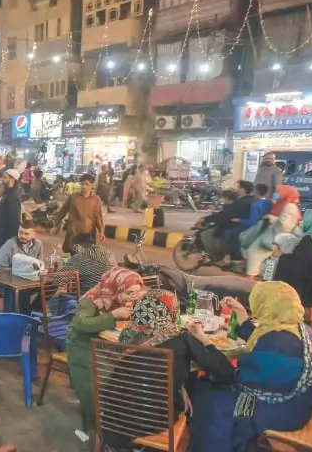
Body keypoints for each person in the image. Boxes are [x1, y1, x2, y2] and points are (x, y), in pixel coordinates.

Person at [190, 282, 312, 452]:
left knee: (208, 395)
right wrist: (242, 314)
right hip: (303, 402)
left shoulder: (276, 344)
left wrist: (204, 341)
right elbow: (263, 340)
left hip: (284, 413)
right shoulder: (298, 328)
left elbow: (235, 376)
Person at [104, 290, 236, 449]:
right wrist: (203, 338)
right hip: (151, 419)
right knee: (191, 396)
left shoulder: (126, 334)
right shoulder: (181, 339)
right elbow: (225, 371)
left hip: (113, 416)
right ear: (172, 312)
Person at [67, 267, 146, 431]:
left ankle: (116, 422)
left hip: (109, 345)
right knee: (99, 388)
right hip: (84, 346)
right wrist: (113, 316)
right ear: (117, 288)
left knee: (129, 377)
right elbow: (80, 324)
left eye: (137, 292)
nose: (133, 297)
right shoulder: (92, 300)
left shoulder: (125, 301)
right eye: (129, 292)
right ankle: (97, 429)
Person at [273, 209, 312, 329]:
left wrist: (282, 257)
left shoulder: (309, 240)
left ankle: (304, 327)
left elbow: (299, 262)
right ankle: (311, 320)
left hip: (308, 279)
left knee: (303, 303)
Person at [243, 184, 302, 278]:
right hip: (274, 235)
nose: (276, 194)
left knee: (257, 254)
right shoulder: (283, 203)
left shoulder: (289, 206)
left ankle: (252, 277)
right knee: (269, 258)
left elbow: (285, 224)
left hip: (277, 236)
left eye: (279, 192)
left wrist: (271, 218)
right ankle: (261, 278)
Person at [53, 174, 105, 253]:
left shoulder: (96, 199)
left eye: (87, 184)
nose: (84, 186)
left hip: (89, 232)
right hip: (74, 231)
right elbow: (63, 211)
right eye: (82, 184)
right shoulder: (73, 197)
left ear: (92, 185)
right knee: (73, 254)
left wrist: (101, 231)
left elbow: (98, 216)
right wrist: (56, 224)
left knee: (87, 255)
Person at [0, 169, 22, 251]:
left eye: (5, 178)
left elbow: (14, 221)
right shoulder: (8, 194)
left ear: (12, 180)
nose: (2, 180)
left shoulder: (12, 197)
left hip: (3, 237)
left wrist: (10, 241)